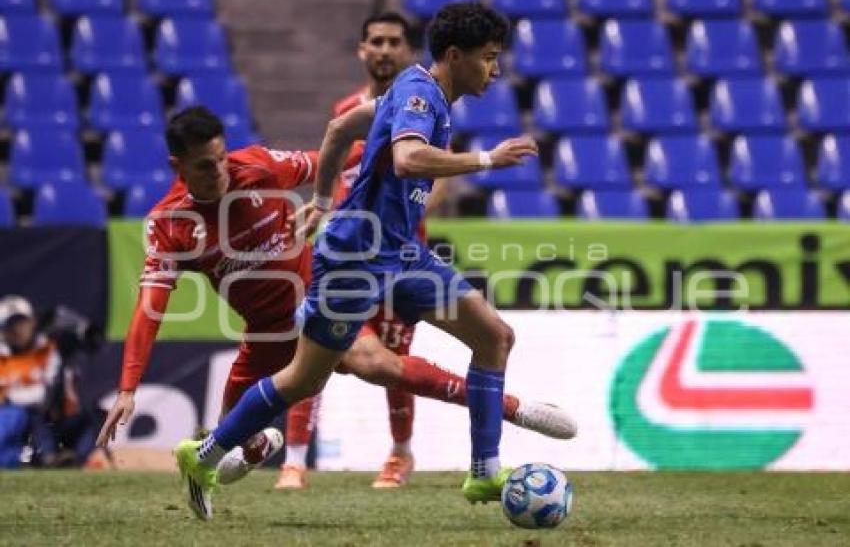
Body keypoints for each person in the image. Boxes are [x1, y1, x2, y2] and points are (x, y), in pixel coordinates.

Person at [101, 107, 573, 515]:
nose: (220, 172)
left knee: (376, 363)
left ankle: (514, 408)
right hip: (264, 334)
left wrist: (384, 148)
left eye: (222, 158)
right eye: (206, 167)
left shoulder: (260, 166)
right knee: (233, 441)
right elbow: (150, 308)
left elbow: (332, 157)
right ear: (177, 165)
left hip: (319, 296)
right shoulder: (170, 226)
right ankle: (244, 450)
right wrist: (127, 388)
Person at [175, 3, 546, 520]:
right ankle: (206, 453)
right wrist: (487, 159)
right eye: (489, 58)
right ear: (456, 56)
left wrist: (324, 201)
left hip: (398, 251)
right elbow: (408, 158)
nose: (496, 69)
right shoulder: (419, 94)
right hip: (356, 256)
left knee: (494, 336)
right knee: (303, 380)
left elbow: (337, 130)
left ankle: (485, 473)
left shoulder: (414, 90)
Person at [279, 11, 422, 490]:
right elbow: (333, 170)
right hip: (347, 258)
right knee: (314, 352)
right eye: (375, 41)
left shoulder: (420, 108)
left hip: (400, 257)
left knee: (396, 366)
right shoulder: (344, 112)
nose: (383, 49)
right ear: (362, 50)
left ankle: (401, 453)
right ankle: (294, 461)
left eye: (393, 42)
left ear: (407, 51)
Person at [0, 295, 101, 468]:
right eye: (10, 325)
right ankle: (46, 457)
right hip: (16, 421)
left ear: (32, 321)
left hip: (46, 419)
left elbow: (88, 338)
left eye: (20, 322)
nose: (16, 330)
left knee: (94, 416)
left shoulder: (48, 348)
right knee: (19, 414)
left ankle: (77, 461)